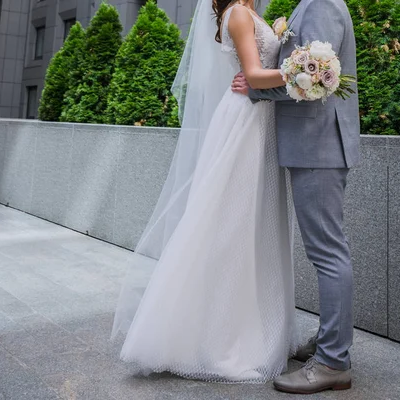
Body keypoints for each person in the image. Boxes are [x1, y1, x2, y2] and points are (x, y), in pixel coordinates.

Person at [112, 0, 298, 384]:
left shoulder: (247, 12)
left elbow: (254, 74)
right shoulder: (241, 14)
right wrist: (304, 72)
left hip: (257, 117)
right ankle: (217, 338)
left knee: (249, 224)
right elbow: (253, 74)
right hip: (247, 121)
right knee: (231, 225)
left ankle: (254, 324)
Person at [231, 0, 360, 394]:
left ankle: (333, 362)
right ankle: (329, 343)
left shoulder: (321, 4)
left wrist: (255, 89)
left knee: (327, 252)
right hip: (315, 144)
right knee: (327, 251)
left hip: (318, 144)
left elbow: (317, 81)